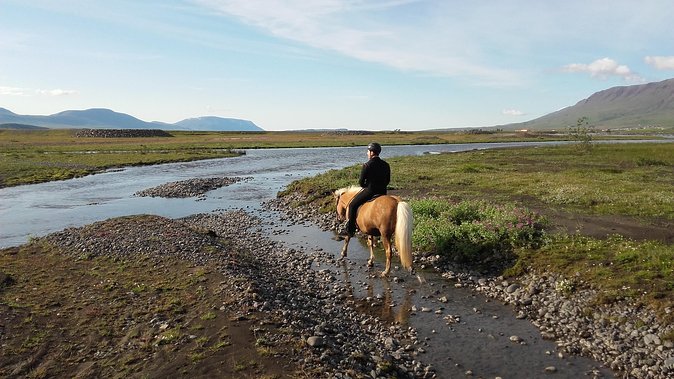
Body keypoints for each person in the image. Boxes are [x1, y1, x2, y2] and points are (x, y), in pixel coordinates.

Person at [343, 142, 391, 237]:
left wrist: (367, 186)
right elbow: (387, 181)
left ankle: (351, 229)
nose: (367, 153)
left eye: (368, 151)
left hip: (370, 191)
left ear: (372, 152)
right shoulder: (386, 164)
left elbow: (361, 182)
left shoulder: (367, 165)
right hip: (383, 192)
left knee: (352, 205)